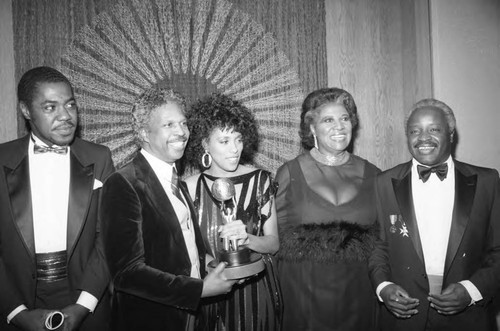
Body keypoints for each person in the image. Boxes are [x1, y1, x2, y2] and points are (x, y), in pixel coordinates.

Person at [100, 88, 236, 331]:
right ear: (143, 133)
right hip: (151, 320)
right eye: (169, 124)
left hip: (191, 317)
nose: (181, 132)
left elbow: (182, 249)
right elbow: (126, 273)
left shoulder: (177, 182)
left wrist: (214, 265)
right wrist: (200, 290)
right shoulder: (123, 183)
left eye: (183, 123)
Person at [368, 98, 500, 330]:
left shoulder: (487, 181)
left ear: (450, 134)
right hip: (403, 316)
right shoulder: (384, 182)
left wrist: (472, 290)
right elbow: (378, 245)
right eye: (414, 131)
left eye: (434, 130)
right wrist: (383, 287)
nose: (424, 138)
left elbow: (497, 250)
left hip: (468, 318)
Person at [0, 66, 114, 330]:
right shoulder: (1, 160)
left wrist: (84, 305)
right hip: (14, 299)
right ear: (26, 111)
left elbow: (108, 238)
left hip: (87, 299)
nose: (66, 116)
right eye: (50, 107)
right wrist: (17, 313)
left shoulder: (99, 157)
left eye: (70, 104)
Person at [275, 87, 380, 330]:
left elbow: (388, 241)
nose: (339, 127)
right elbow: (270, 238)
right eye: (328, 120)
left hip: (359, 296)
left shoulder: (375, 175)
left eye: (344, 118)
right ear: (311, 128)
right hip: (303, 297)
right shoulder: (288, 173)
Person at [183, 93, 282, 331]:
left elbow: (274, 244)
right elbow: (188, 250)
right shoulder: (189, 186)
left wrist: (247, 239)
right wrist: (215, 270)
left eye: (238, 139)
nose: (235, 149)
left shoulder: (261, 180)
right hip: (211, 291)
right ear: (205, 144)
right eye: (224, 141)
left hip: (255, 294)